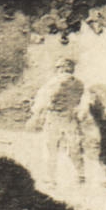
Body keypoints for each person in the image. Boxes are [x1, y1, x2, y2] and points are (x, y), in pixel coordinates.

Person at [27, 58, 86, 186]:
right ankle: (80, 175)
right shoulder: (80, 84)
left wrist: (35, 114)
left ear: (61, 68)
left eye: (58, 68)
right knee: (74, 147)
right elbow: (81, 103)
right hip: (71, 118)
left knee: (50, 148)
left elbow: (41, 102)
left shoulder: (53, 82)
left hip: (54, 117)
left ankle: (51, 179)